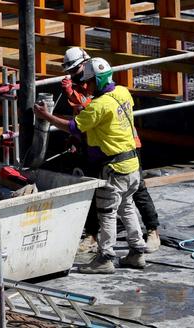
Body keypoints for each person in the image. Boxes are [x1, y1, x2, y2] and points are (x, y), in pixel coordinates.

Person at [35, 57, 147, 274]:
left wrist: (46, 116)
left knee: (107, 212)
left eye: (89, 82)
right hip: (132, 164)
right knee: (127, 206)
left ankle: (105, 257)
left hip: (114, 167)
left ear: (99, 80)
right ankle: (137, 251)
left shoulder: (99, 105)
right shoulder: (123, 93)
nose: (86, 86)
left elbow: (73, 127)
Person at [60, 47, 161, 255]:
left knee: (136, 191)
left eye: (76, 71)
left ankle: (151, 231)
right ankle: (94, 236)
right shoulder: (88, 82)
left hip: (123, 145)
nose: (75, 76)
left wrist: (72, 96)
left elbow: (94, 109)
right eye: (71, 72)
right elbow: (88, 116)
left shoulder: (101, 87)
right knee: (96, 190)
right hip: (98, 145)